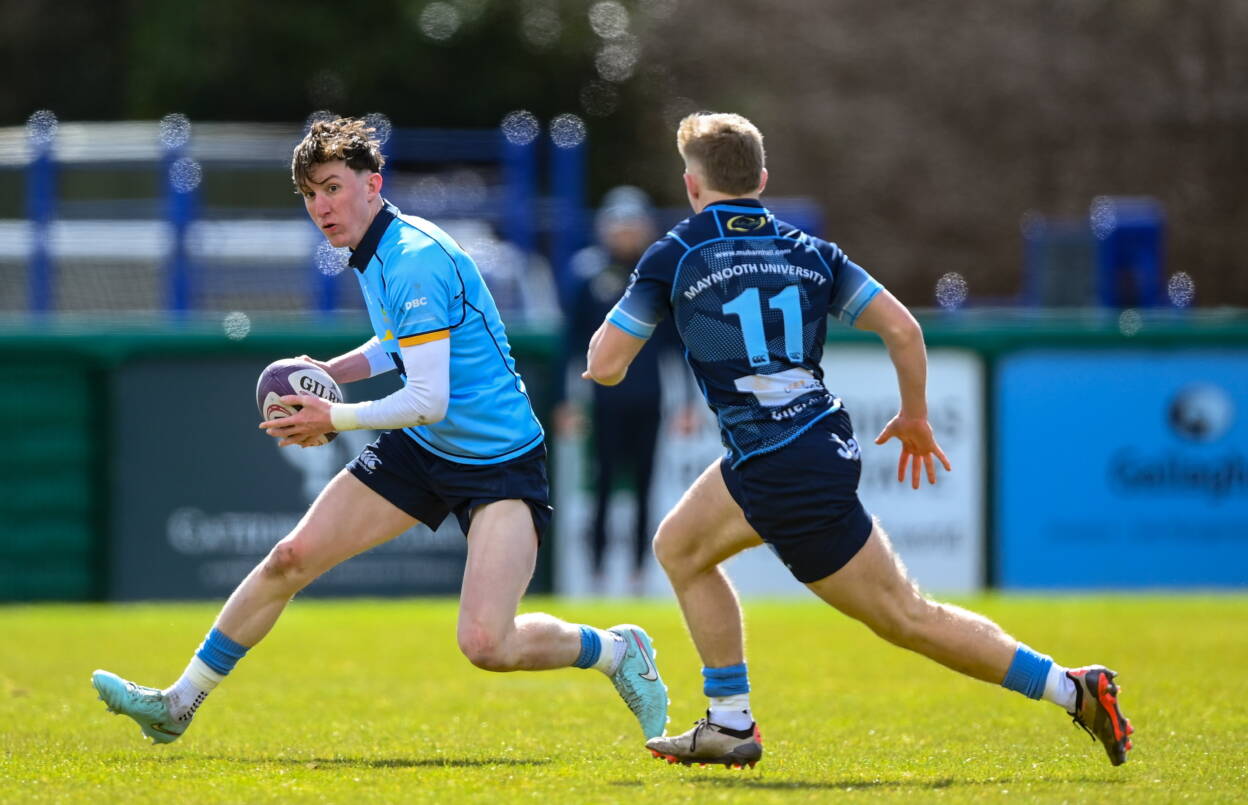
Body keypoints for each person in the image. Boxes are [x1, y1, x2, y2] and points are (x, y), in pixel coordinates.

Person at [91, 117, 667, 746]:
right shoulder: (375, 250)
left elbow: (426, 397)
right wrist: (329, 372)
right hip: (424, 448)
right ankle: (179, 702)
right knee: (290, 558)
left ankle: (614, 650)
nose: (322, 206)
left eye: (333, 187)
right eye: (310, 194)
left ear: (373, 184)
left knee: (486, 643)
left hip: (499, 461)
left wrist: (331, 416)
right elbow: (397, 344)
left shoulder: (413, 259)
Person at [583, 112, 1133, 769]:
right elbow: (904, 329)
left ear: (691, 184)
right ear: (761, 179)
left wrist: (613, 341)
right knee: (679, 545)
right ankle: (729, 722)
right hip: (795, 446)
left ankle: (1072, 688)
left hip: (779, 463)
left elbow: (608, 364)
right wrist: (916, 416)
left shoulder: (675, 253)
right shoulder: (810, 251)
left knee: (907, 618)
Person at [554, 187, 682, 594]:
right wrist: (564, 402)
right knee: (603, 483)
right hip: (603, 399)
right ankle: (595, 572)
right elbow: (570, 344)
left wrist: (691, 404)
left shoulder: (658, 275)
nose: (625, 233)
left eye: (633, 225)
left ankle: (639, 573)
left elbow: (678, 346)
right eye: (619, 224)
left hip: (650, 397)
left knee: (646, 484)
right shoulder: (588, 273)